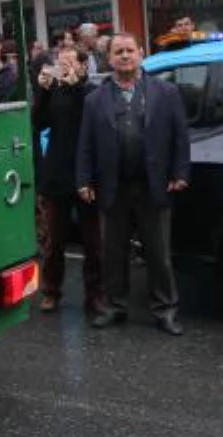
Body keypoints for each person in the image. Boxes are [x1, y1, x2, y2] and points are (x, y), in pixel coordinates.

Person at [76, 32, 190, 336]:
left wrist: (180, 172)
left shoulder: (166, 92)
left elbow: (181, 136)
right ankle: (115, 306)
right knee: (112, 255)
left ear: (140, 53)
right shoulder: (94, 99)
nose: (125, 56)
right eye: (118, 52)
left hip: (154, 187)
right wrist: (84, 179)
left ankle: (165, 310)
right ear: (109, 58)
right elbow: (85, 143)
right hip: (113, 189)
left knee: (158, 255)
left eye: (129, 50)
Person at [33, 47, 104, 315]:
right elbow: (38, 123)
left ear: (83, 66)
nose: (64, 68)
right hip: (58, 174)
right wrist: (43, 91)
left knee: (94, 243)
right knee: (54, 242)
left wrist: (74, 88)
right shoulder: (55, 91)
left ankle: (95, 294)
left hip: (87, 174)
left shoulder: (92, 92)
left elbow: (88, 119)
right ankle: (51, 291)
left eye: (70, 63)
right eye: (60, 63)